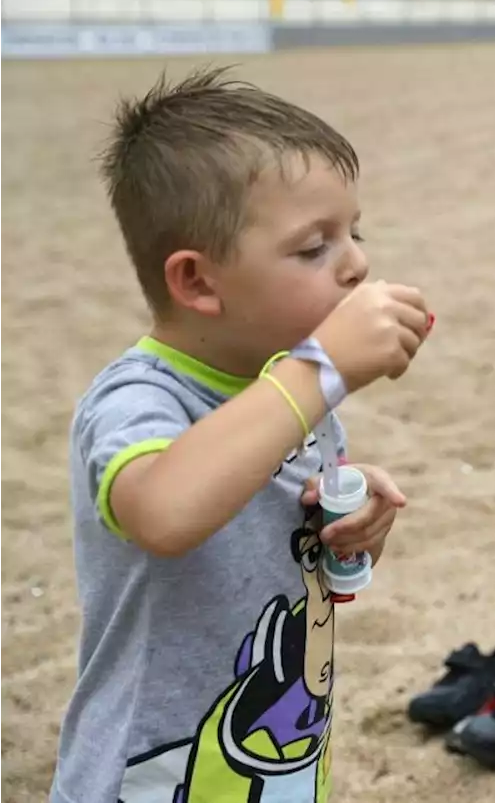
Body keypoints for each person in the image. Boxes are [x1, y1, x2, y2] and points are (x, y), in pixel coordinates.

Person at [49, 66, 432, 803]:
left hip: (275, 753)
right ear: (197, 282)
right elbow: (163, 512)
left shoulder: (290, 389)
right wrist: (320, 372)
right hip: (152, 775)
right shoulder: (137, 399)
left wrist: (350, 521)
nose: (357, 262)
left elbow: (283, 531)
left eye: (355, 232)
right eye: (314, 247)